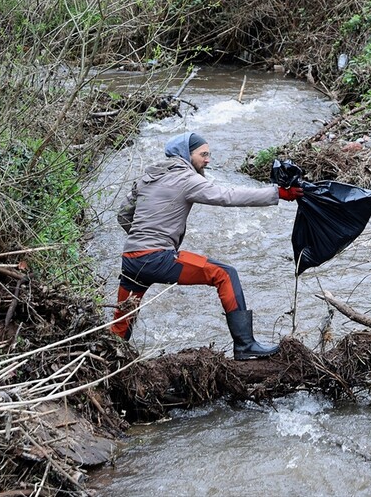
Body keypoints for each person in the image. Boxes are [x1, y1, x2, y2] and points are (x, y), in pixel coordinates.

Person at [112, 131, 303, 360]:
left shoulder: (146, 178)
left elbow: (123, 215)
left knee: (124, 315)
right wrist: (277, 193)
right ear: (186, 154)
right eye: (203, 154)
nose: (207, 159)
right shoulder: (185, 178)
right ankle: (245, 346)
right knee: (224, 273)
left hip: (131, 258)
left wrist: (142, 240)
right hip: (156, 257)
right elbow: (227, 195)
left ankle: (112, 358)